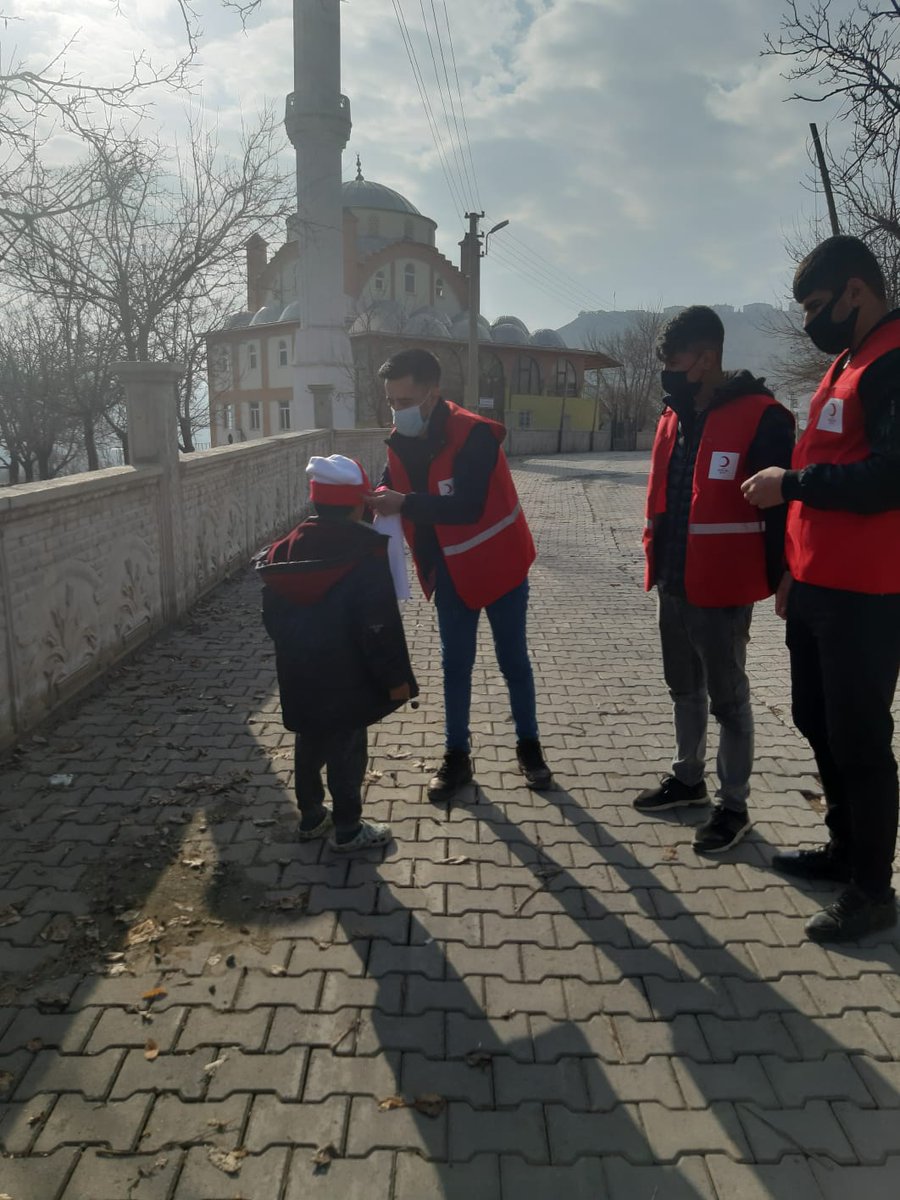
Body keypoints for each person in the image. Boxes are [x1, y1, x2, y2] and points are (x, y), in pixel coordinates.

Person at [743, 235, 900, 942]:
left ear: (857, 292)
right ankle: (844, 847)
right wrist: (789, 570)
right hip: (815, 585)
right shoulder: (845, 360)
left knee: (861, 739)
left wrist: (790, 485)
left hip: (867, 592)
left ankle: (872, 889)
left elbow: (888, 478)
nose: (811, 319)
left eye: (816, 306)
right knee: (817, 719)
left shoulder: (893, 362)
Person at [637, 305, 795, 854]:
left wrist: (786, 574)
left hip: (723, 585)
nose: (667, 369)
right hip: (673, 579)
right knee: (683, 685)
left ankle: (734, 806)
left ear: (705, 359)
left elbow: (782, 511)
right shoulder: (673, 416)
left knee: (728, 697)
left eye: (674, 359)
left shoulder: (763, 416)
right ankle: (688, 779)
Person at [366, 347, 551, 802]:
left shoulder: (476, 435)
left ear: (433, 393)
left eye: (405, 401)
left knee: (513, 662)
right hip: (449, 571)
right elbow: (390, 486)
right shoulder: (399, 442)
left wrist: (405, 503)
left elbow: (467, 506)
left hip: (501, 565)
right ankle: (456, 755)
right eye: (391, 402)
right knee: (455, 666)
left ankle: (529, 748)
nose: (398, 411)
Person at [256, 454, 418, 853]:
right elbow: (378, 627)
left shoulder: (283, 549)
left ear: (316, 501)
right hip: (348, 677)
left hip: (298, 671)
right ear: (355, 505)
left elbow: (271, 617)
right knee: (347, 748)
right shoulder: (365, 553)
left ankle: (311, 817)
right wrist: (398, 679)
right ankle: (348, 827)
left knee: (309, 740)